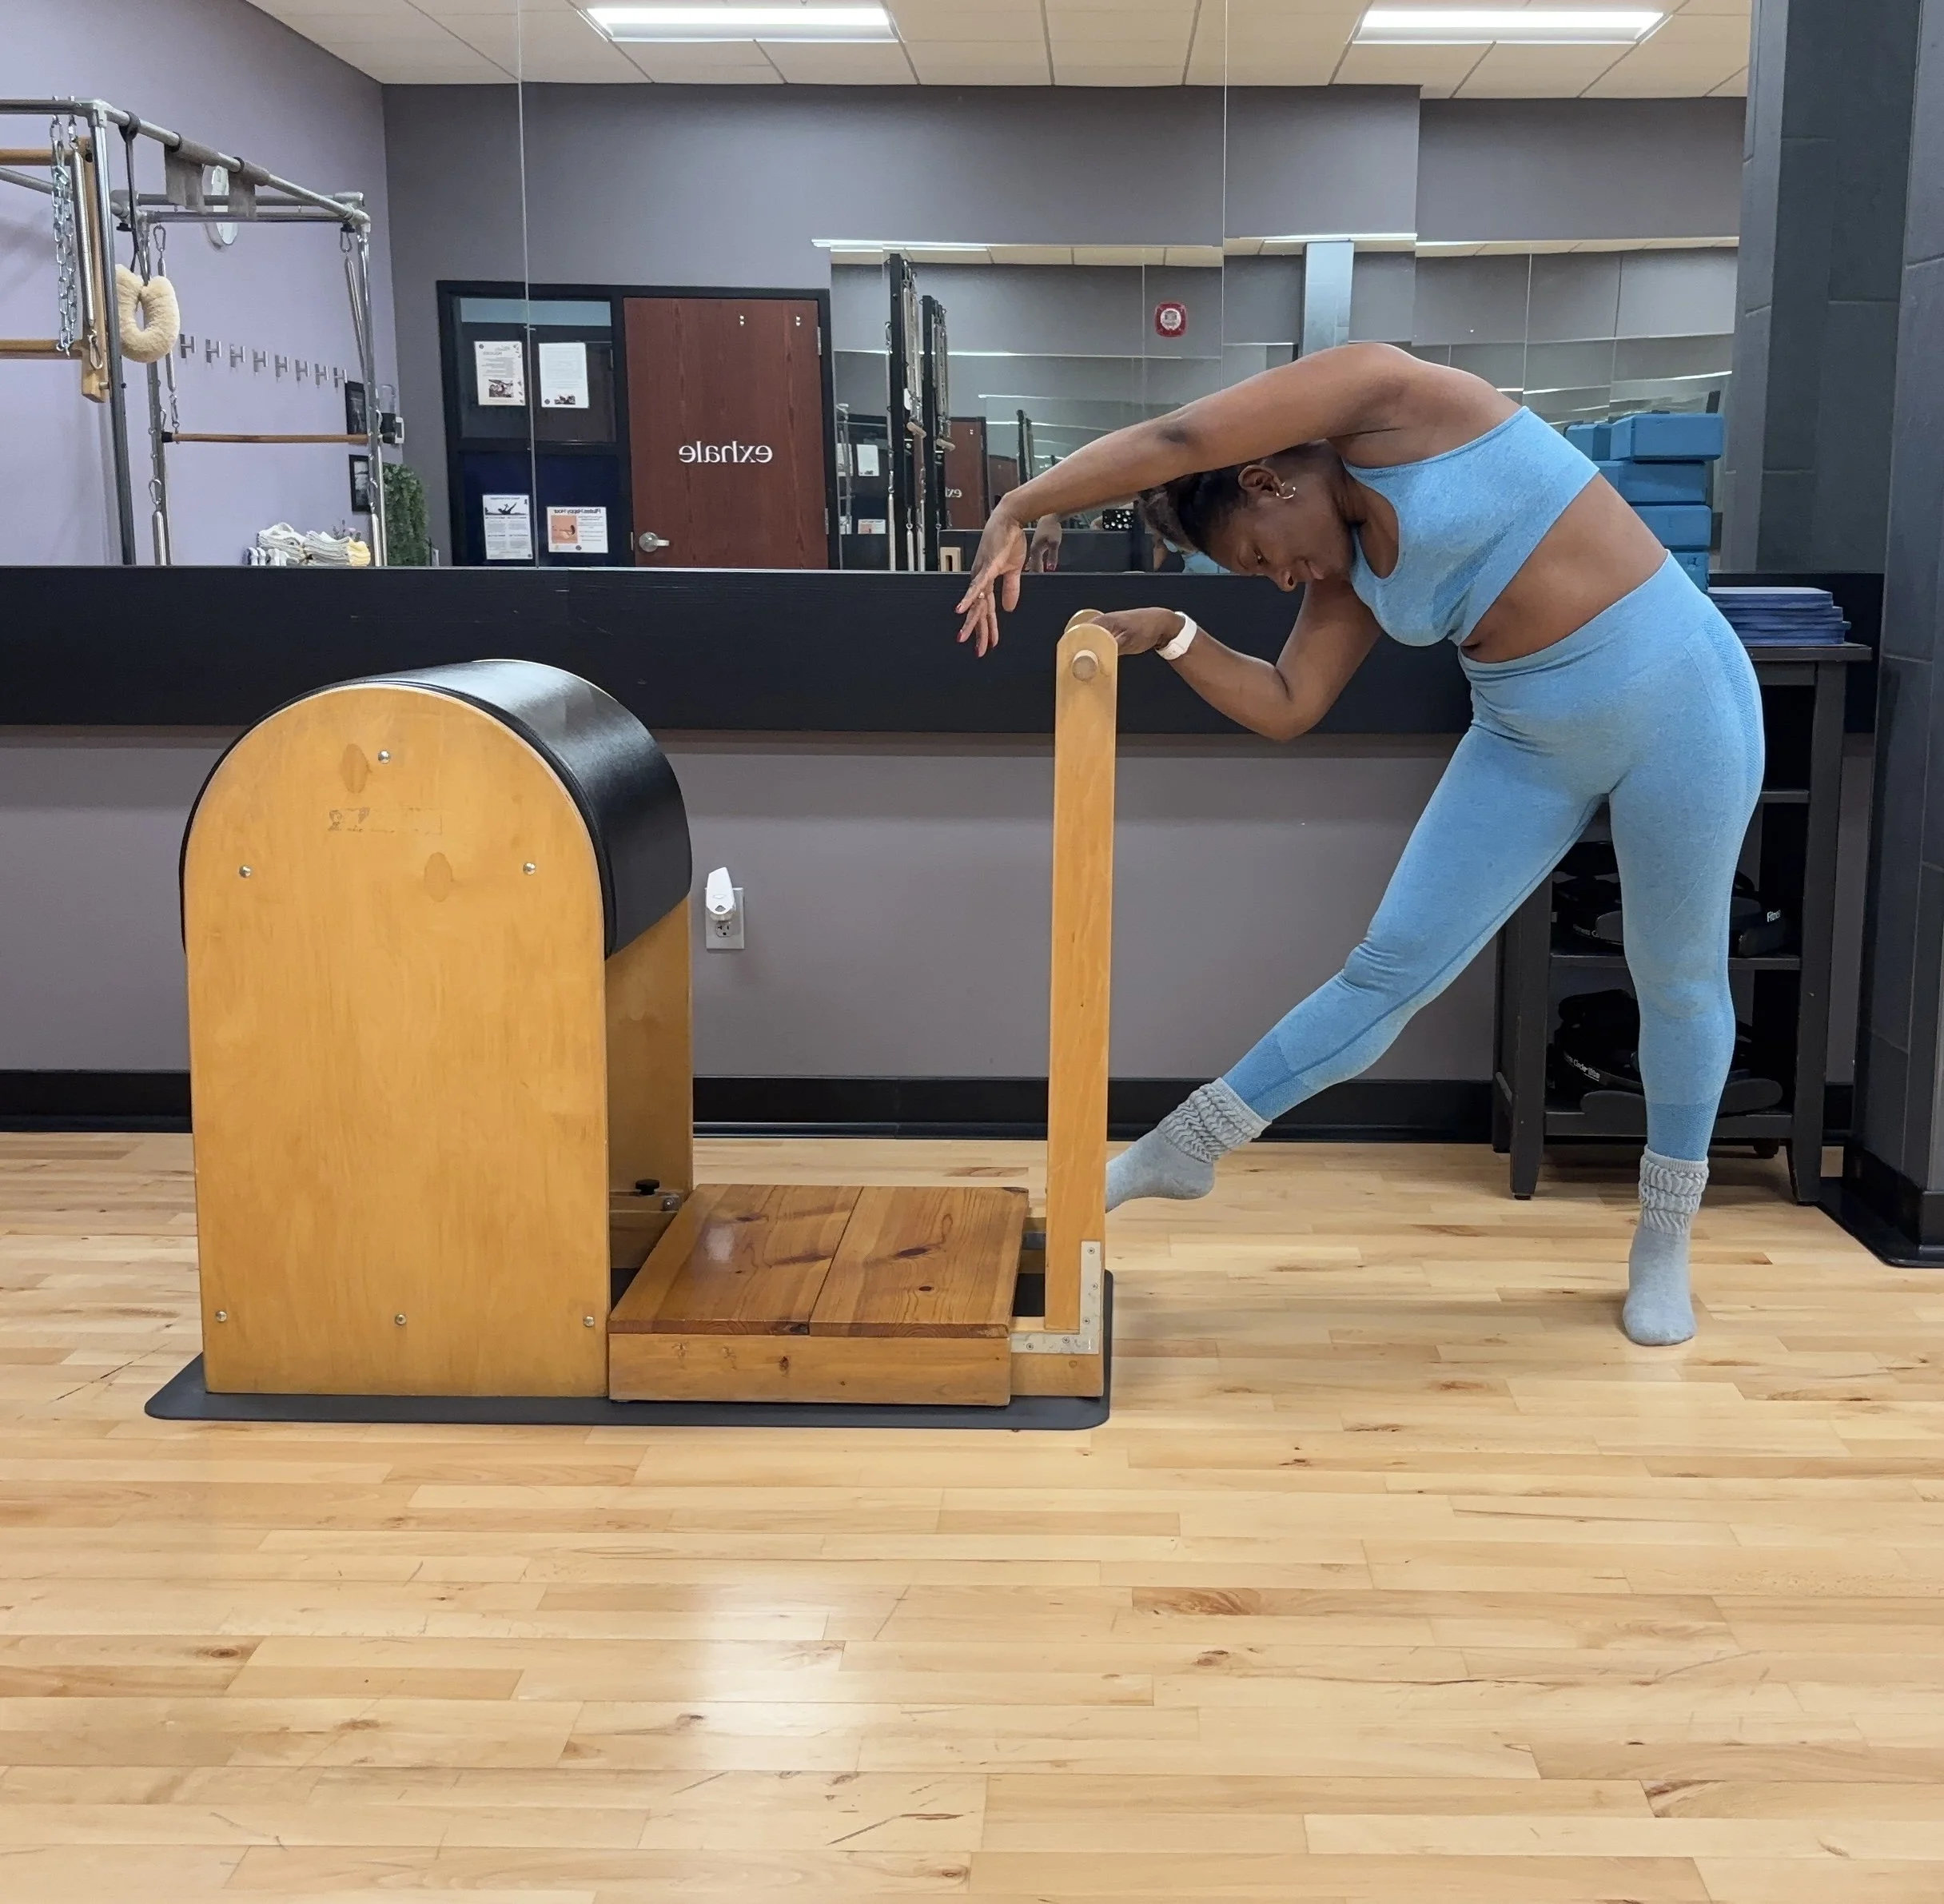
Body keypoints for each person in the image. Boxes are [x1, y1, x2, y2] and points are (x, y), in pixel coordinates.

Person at [954, 343, 1762, 1348]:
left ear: (1264, 477)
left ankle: (1663, 1239)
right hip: (1522, 737)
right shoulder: (1350, 580)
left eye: (1260, 555)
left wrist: (1021, 504)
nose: (1281, 576)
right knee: (1387, 968)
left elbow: (1178, 438)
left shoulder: (1394, 399)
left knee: (1676, 977)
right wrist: (1171, 631)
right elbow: (1289, 704)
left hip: (1678, 700)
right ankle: (1185, 1146)